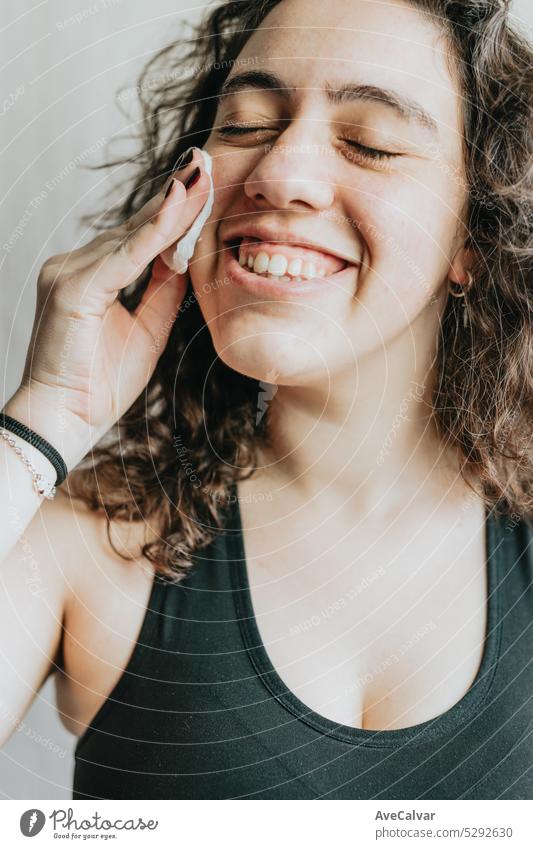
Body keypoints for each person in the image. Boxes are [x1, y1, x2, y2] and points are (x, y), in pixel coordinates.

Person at [1, 0, 532, 800]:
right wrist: (44, 420)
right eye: (246, 125)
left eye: (370, 142)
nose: (277, 172)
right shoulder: (91, 537)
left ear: (475, 234)